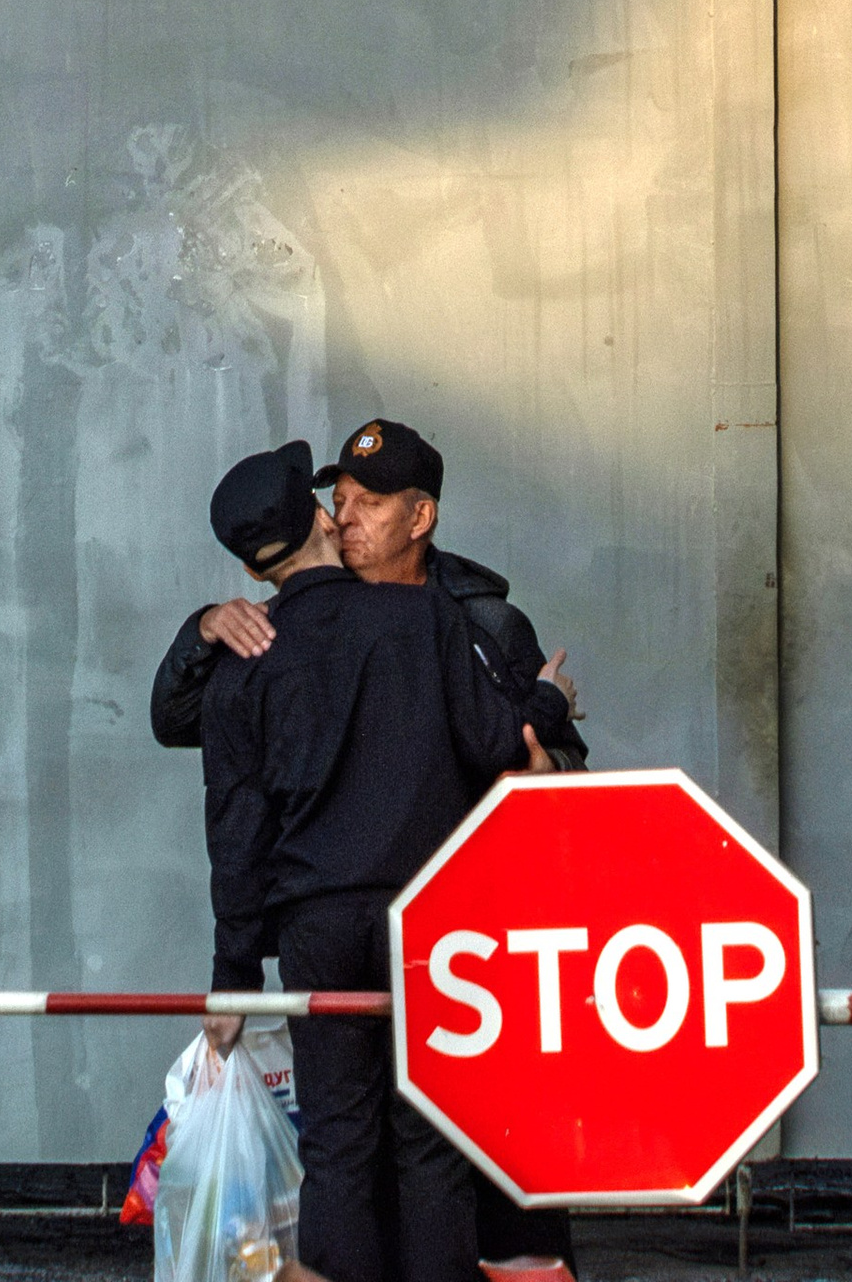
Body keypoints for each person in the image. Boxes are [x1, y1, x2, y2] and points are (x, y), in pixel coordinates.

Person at [196, 438, 535, 1282]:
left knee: (339, 1145)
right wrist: (548, 704)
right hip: (430, 923)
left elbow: (235, 842)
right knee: (433, 1146)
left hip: (317, 929)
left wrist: (232, 978)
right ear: (318, 519)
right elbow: (496, 740)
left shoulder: (241, 671)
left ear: (250, 566)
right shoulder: (422, 618)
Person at [151, 415, 586, 764]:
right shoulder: (292, 618)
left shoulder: (487, 622)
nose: (344, 519)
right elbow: (177, 723)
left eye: (370, 503)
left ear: (420, 519)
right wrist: (204, 629)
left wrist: (546, 771)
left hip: (466, 863)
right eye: (339, 502)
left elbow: (570, 760)